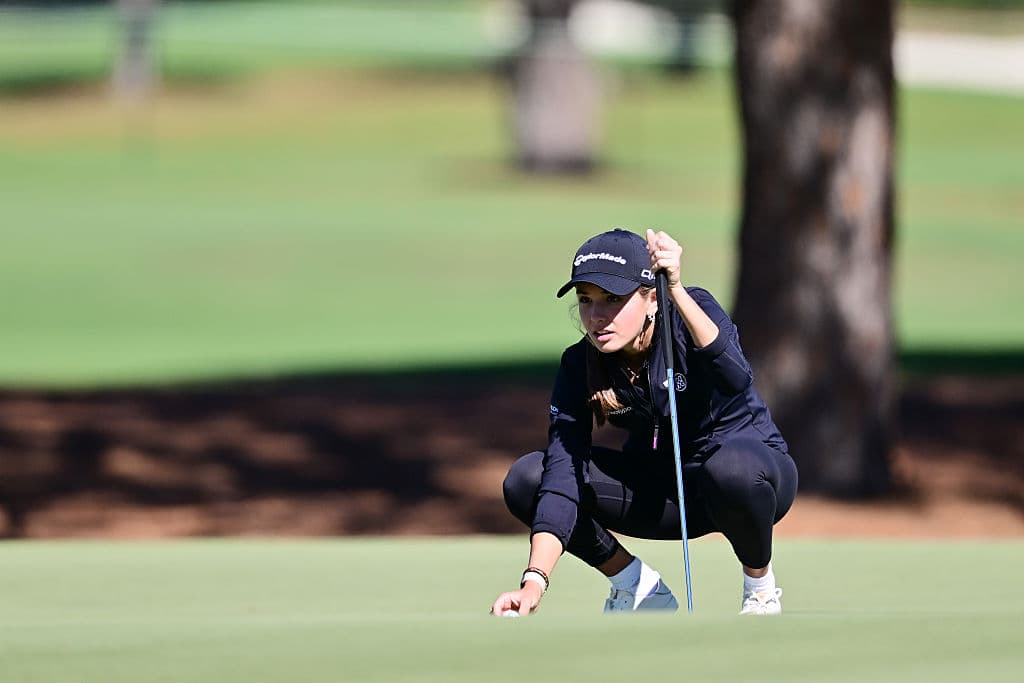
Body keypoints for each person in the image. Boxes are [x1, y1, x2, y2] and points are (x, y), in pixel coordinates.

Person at [490, 228, 798, 617]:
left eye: (613, 300)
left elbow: (736, 376)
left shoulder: (691, 311)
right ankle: (635, 586)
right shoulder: (579, 365)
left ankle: (760, 589)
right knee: (528, 478)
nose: (596, 315)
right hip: (662, 496)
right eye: (586, 300)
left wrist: (678, 291)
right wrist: (534, 583)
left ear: (651, 297)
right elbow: (563, 473)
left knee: (731, 468)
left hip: (748, 483)